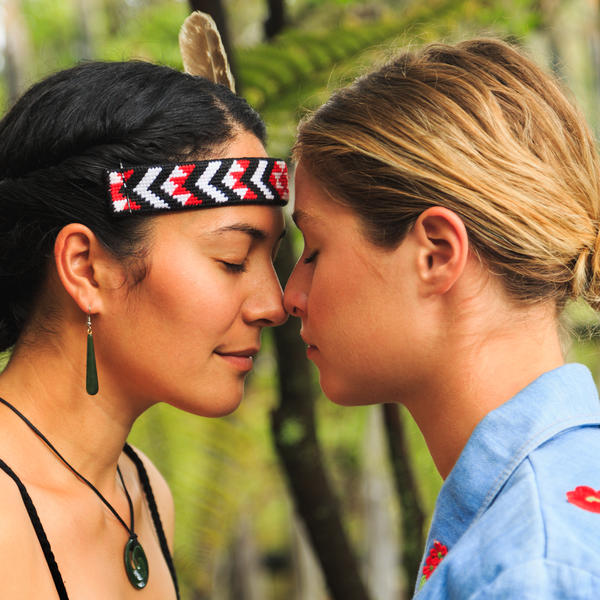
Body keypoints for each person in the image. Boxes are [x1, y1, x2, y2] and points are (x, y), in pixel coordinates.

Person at [283, 38, 600, 598]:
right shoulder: (543, 510)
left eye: (313, 251)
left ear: (436, 253)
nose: (290, 295)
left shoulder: (529, 568)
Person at [0, 60, 288, 599]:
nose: (273, 304)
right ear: (85, 268)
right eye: (232, 259)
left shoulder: (145, 492)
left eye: (271, 260)